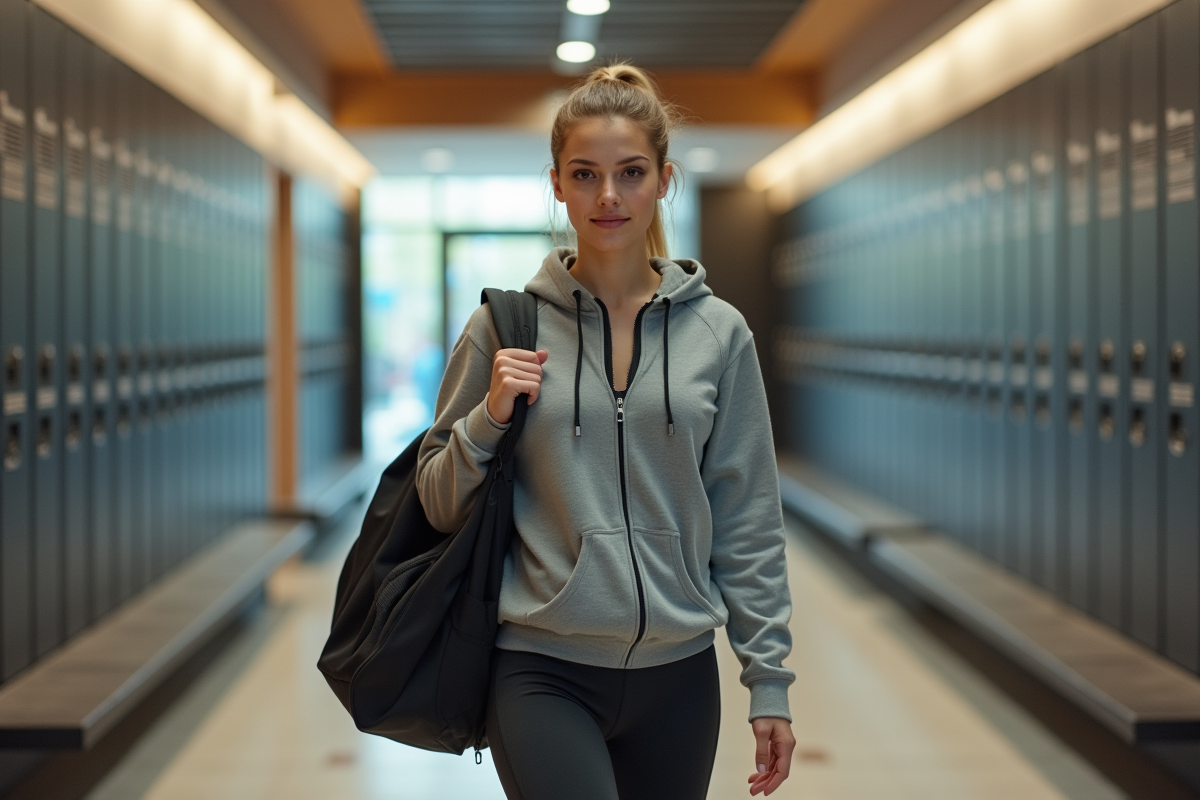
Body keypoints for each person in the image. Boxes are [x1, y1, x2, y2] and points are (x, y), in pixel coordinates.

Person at [416, 63, 795, 800]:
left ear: (664, 180)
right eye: (585, 174)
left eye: (631, 173)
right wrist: (489, 418)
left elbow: (748, 516)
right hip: (540, 666)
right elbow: (435, 499)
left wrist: (769, 680)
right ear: (557, 184)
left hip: (679, 673)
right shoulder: (505, 327)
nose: (609, 196)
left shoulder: (719, 334)